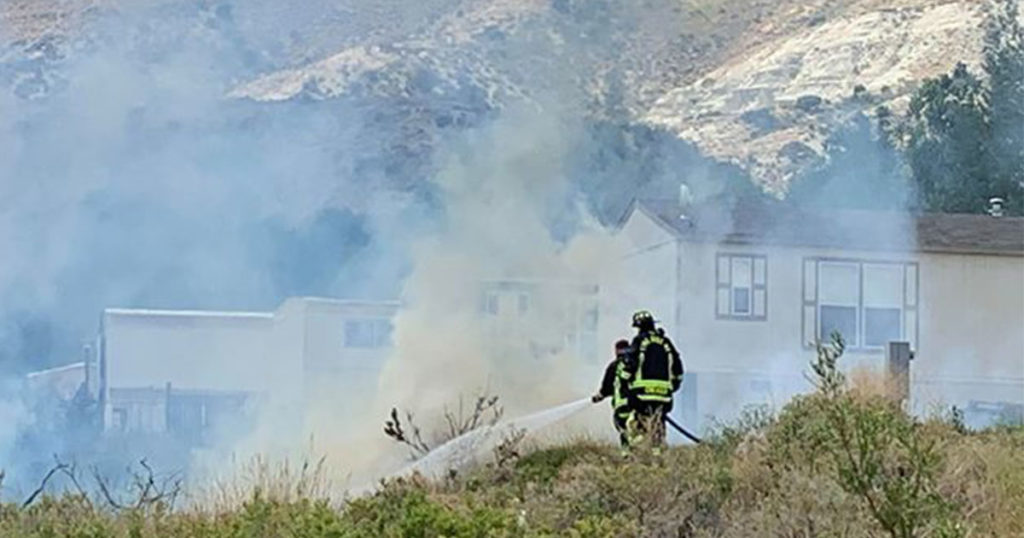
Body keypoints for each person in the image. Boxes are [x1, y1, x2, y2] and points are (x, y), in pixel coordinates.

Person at [621, 310, 683, 450]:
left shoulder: (640, 341)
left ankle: (637, 451)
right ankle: (657, 453)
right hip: (664, 396)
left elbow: (630, 364)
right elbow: (678, 368)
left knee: (636, 424)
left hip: (642, 395)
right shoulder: (666, 343)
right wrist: (672, 386)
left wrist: (625, 385)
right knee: (658, 424)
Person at [592, 339, 633, 448]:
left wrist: (598, 397)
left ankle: (627, 454)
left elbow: (606, 388)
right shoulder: (637, 364)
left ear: (616, 350)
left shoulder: (614, 366)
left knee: (623, 429)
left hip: (622, 405)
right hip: (637, 404)